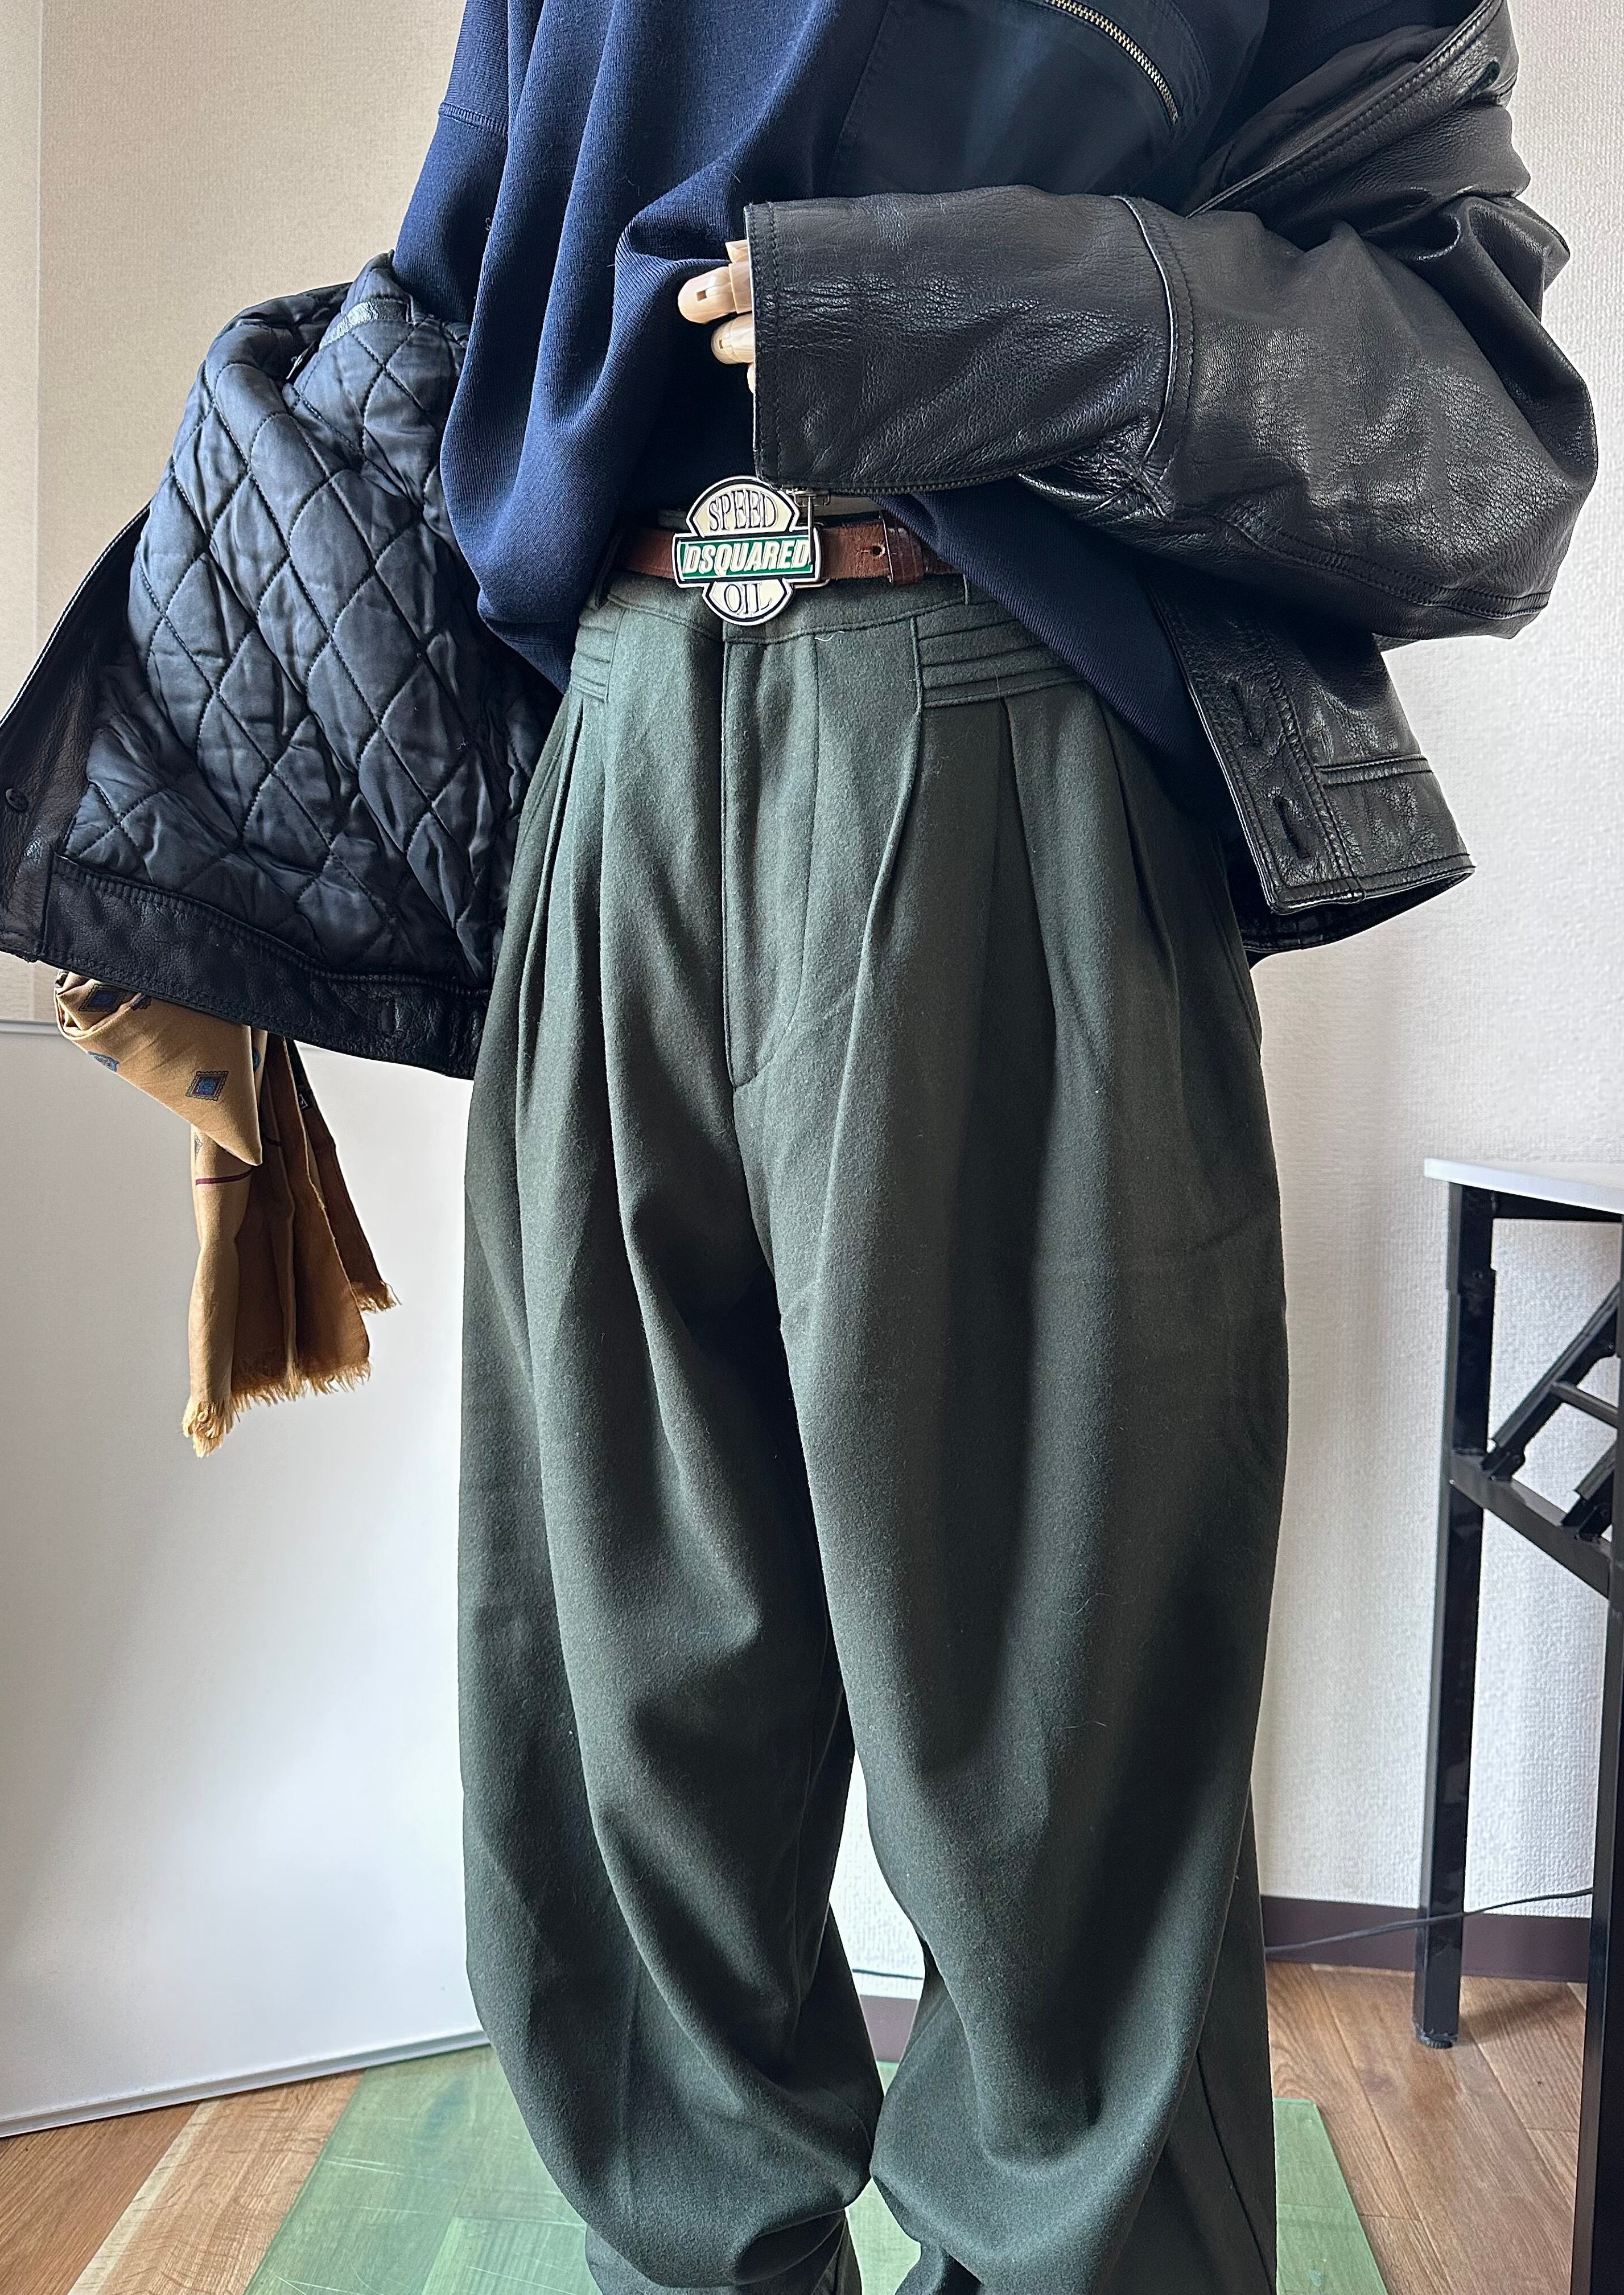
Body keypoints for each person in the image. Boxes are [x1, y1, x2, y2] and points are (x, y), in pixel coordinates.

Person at [388, 2, 1594, 2292]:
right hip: (614, 742)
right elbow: (454, 295)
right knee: (614, 1695)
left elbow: (1475, 431)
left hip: (991, 724)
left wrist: (959, 305)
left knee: (1053, 1734)